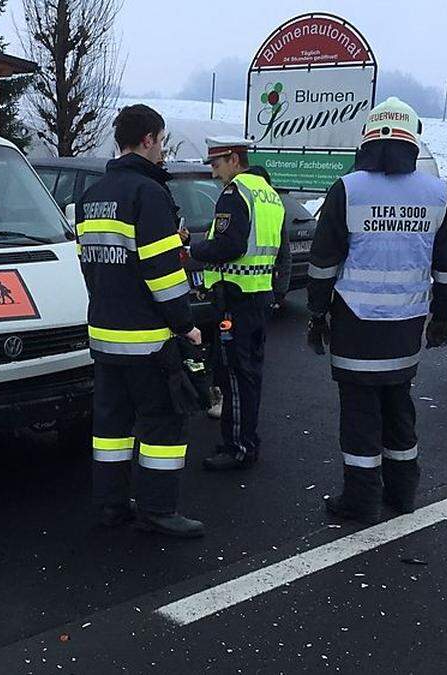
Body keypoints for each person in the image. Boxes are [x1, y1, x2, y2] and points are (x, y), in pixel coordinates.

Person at [305, 97, 447, 524]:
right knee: (398, 405)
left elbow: (322, 263)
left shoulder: (348, 189)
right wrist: (444, 316)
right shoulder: (436, 194)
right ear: (413, 138)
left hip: (356, 325)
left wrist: (317, 314)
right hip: (407, 326)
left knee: (359, 413)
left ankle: (360, 499)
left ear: (367, 139)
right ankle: (403, 491)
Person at [76, 104, 205, 538]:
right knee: (163, 423)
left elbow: (88, 266)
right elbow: (164, 273)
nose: (163, 150)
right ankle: (157, 509)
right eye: (162, 141)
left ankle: (110, 506)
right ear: (148, 138)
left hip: (104, 335)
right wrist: (185, 323)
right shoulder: (148, 194)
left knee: (111, 427)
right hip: (148, 339)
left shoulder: (92, 196)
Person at [181, 137, 284, 471]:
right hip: (257, 296)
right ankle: (246, 441)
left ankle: (238, 447)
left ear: (234, 159)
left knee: (235, 377)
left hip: (235, 300)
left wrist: (194, 250)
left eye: (216, 163)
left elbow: (230, 245)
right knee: (249, 374)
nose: (213, 172)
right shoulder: (269, 194)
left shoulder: (235, 193)